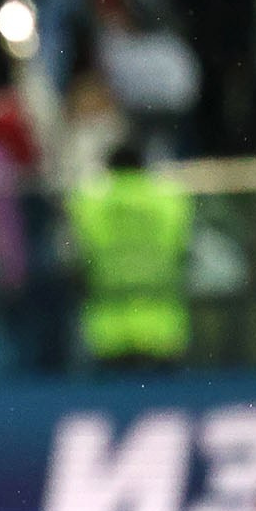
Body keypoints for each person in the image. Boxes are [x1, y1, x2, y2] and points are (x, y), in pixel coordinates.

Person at [66, 144, 193, 370]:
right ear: (143, 168)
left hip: (109, 321)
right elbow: (181, 245)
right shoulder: (169, 201)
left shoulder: (91, 204)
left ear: (109, 169)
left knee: (112, 399)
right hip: (161, 319)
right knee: (163, 400)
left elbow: (82, 247)